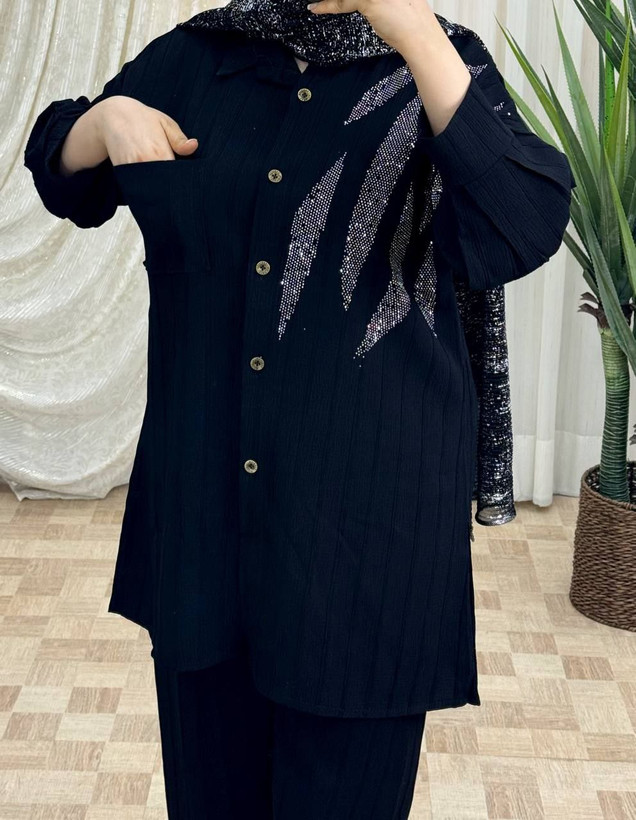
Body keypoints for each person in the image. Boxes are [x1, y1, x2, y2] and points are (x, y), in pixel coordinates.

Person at [23, 0, 576, 816]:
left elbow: (523, 224)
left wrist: (409, 28)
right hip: (205, 541)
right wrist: (101, 124)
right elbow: (57, 172)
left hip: (366, 554)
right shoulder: (203, 56)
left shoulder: (439, 65)